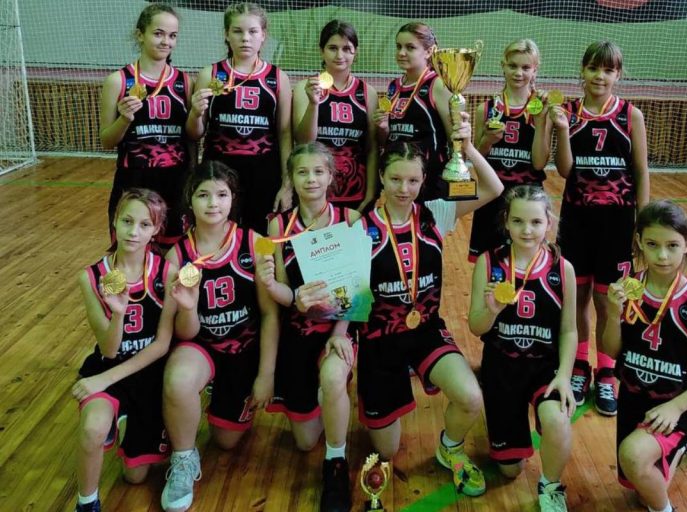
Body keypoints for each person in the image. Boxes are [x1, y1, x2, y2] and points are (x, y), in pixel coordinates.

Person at [357, 113, 503, 497]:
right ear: (381, 177)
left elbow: (494, 187)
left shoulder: (436, 214)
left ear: (424, 181)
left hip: (425, 330)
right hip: (379, 339)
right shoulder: (359, 228)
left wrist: (467, 147)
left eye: (412, 180)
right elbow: (347, 299)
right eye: (395, 179)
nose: (403, 189)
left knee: (471, 397)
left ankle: (449, 448)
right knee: (387, 451)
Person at [160, 161, 279, 512]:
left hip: (243, 350)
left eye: (222, 194)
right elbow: (185, 332)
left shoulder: (255, 242)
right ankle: (183, 459)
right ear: (189, 200)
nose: (213, 203)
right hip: (201, 346)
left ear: (233, 199)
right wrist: (188, 307)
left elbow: (271, 314)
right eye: (203, 195)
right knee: (178, 379)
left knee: (227, 441)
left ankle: (217, 397)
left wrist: (266, 375)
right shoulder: (177, 256)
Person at [72, 189, 196, 512]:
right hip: (107, 365)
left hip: (147, 373)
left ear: (156, 230)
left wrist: (104, 380)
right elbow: (109, 349)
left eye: (145, 224)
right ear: (114, 220)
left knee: (136, 476)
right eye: (127, 221)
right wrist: (118, 314)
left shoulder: (166, 273)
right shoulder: (91, 277)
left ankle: (124, 422)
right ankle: (87, 502)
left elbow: (162, 345)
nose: (133, 232)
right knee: (92, 429)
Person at [544, 41, 650, 415]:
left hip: (617, 224)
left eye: (608, 70)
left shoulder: (631, 115)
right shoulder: (569, 113)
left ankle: (606, 372)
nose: (599, 76)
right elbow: (565, 170)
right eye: (593, 68)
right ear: (582, 71)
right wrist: (561, 130)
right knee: (577, 299)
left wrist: (643, 225)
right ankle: (579, 366)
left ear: (618, 74)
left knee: (609, 303)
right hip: (577, 220)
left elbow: (641, 172)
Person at [603, 200, 687, 512]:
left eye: (672, 245)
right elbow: (611, 351)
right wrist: (612, 313)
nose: (662, 255)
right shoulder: (628, 290)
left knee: (634, 457)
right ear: (639, 242)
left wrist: (676, 407)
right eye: (652, 244)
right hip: (635, 398)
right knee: (638, 485)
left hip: (680, 403)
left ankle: (666, 503)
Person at [256, 143, 360, 512]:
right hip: (298, 331)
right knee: (303, 441)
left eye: (318, 171)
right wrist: (278, 289)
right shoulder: (277, 225)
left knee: (332, 376)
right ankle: (328, 398)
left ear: (331, 177)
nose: (311, 179)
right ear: (292, 178)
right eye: (302, 172)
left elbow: (358, 287)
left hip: (338, 326)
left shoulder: (349, 219)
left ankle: (336, 462)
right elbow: (285, 292)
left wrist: (339, 333)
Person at [468, 185, 576, 512]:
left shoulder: (563, 269)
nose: (527, 230)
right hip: (501, 368)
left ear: (549, 223)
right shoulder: (489, 262)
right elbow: (476, 327)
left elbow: (569, 330)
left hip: (545, 368)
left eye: (535, 222)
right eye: (518, 221)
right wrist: (491, 310)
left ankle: (551, 486)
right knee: (510, 470)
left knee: (557, 420)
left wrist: (565, 376)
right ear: (506, 221)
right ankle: (508, 428)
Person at [186, 2, 292, 234]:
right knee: (218, 236)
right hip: (218, 173)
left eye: (253, 31)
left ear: (263, 35)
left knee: (260, 238)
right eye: (237, 31)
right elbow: (194, 133)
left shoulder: (278, 78)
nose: (245, 38)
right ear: (226, 34)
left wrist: (287, 183)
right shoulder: (210, 74)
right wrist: (195, 113)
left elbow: (285, 133)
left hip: (264, 173)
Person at [99, 4, 192, 250]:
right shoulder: (118, 81)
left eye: (172, 35)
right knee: (131, 252)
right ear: (140, 34)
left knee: (174, 254)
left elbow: (191, 138)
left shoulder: (185, 82)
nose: (166, 41)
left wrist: (191, 175)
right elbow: (106, 140)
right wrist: (124, 119)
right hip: (133, 179)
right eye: (158, 33)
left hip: (175, 180)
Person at [469, 39, 551, 262]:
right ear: (502, 66)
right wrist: (487, 140)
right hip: (491, 198)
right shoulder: (485, 109)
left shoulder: (542, 110)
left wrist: (541, 123)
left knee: (527, 264)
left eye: (526, 67)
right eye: (513, 65)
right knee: (488, 265)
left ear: (535, 70)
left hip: (527, 201)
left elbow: (539, 163)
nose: (518, 73)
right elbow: (477, 158)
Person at [293, 20, 378, 211]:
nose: (340, 55)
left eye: (346, 49)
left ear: (356, 52)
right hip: (315, 191)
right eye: (332, 48)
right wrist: (313, 104)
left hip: (356, 190)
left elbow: (372, 149)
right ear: (321, 51)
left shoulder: (367, 93)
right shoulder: (304, 88)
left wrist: (370, 195)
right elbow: (304, 142)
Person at [373, 22, 451, 200]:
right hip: (398, 177)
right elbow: (386, 140)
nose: (401, 52)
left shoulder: (438, 85)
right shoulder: (394, 86)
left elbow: (455, 139)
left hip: (428, 178)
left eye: (410, 47)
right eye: (398, 46)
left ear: (429, 52)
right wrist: (383, 127)